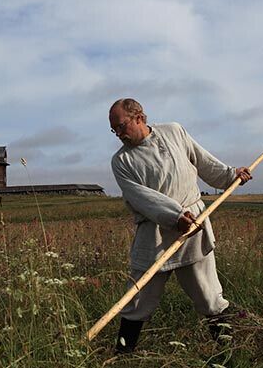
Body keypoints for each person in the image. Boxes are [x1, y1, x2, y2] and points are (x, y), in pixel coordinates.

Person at [108, 98, 252, 353]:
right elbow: (141, 197)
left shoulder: (173, 131)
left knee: (209, 295)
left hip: (193, 230)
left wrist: (231, 175)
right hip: (154, 234)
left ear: (139, 117)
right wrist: (175, 216)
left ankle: (228, 351)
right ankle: (123, 356)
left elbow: (203, 161)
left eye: (121, 127)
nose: (119, 134)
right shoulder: (121, 161)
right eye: (114, 130)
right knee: (138, 297)